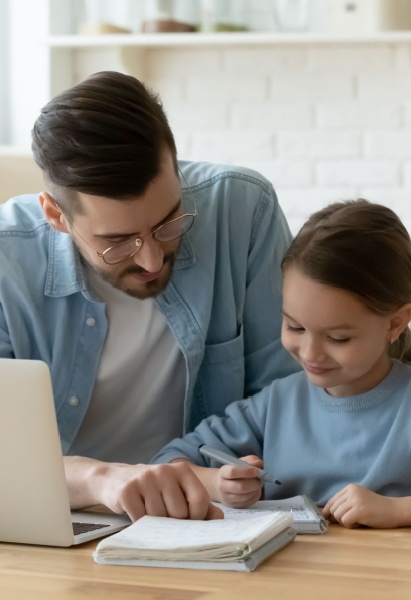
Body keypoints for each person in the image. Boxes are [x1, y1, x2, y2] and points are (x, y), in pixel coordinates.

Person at [0, 71, 298, 521]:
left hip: (213, 521)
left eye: (169, 221)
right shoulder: (8, 258)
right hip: (64, 526)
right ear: (55, 215)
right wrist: (103, 480)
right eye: (118, 241)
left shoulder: (243, 211)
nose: (154, 261)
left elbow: (290, 399)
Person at [153, 199, 411, 529]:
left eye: (338, 338)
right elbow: (167, 462)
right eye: (295, 327)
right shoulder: (274, 405)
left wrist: (398, 510)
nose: (310, 353)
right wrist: (216, 483)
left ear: (394, 324)